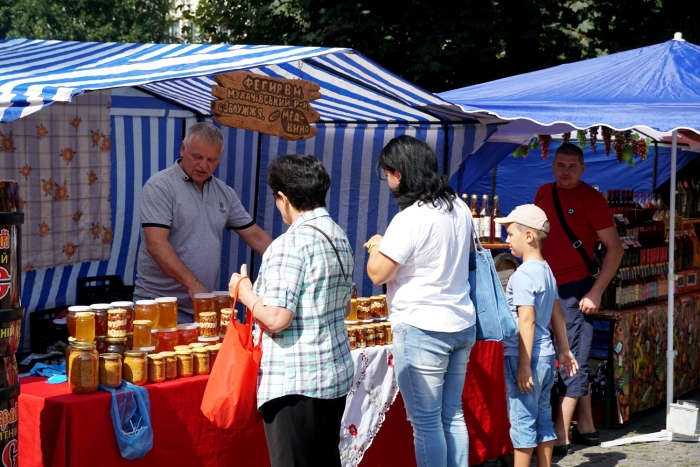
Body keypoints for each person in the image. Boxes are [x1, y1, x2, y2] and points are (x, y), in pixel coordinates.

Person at [228, 154, 354, 467]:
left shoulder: (290, 243)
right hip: (333, 374)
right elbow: (345, 302)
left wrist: (246, 293)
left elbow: (275, 318)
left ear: (283, 198)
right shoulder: (338, 235)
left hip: (296, 381)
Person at [364, 135, 476, 467]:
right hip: (460, 321)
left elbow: (377, 273)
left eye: (387, 172)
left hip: (422, 328)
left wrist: (375, 245)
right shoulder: (461, 208)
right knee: (452, 416)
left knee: (426, 423)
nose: (387, 180)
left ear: (400, 173)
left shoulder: (410, 218)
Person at [533, 143, 623, 454]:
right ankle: (584, 424)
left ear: (583, 168)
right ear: (553, 165)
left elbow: (616, 248)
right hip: (544, 288)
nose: (565, 171)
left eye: (572, 166)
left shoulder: (592, 199)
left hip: (575, 290)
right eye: (560, 164)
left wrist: (595, 291)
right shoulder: (544, 191)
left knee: (571, 360)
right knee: (551, 357)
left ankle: (561, 435)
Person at [134, 122, 272, 321]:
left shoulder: (224, 193)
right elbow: (156, 245)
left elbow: (255, 236)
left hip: (201, 305)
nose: (203, 165)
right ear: (183, 149)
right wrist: (193, 284)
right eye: (197, 157)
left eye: (211, 160)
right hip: (158, 304)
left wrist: (287, 259)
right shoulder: (160, 187)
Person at [496, 204, 578, 467]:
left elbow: (527, 320)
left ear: (528, 236)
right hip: (546, 357)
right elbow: (557, 315)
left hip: (526, 358)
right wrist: (564, 350)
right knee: (543, 418)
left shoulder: (522, 275)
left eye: (510, 234)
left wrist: (523, 365)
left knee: (522, 423)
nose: (506, 240)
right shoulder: (547, 270)